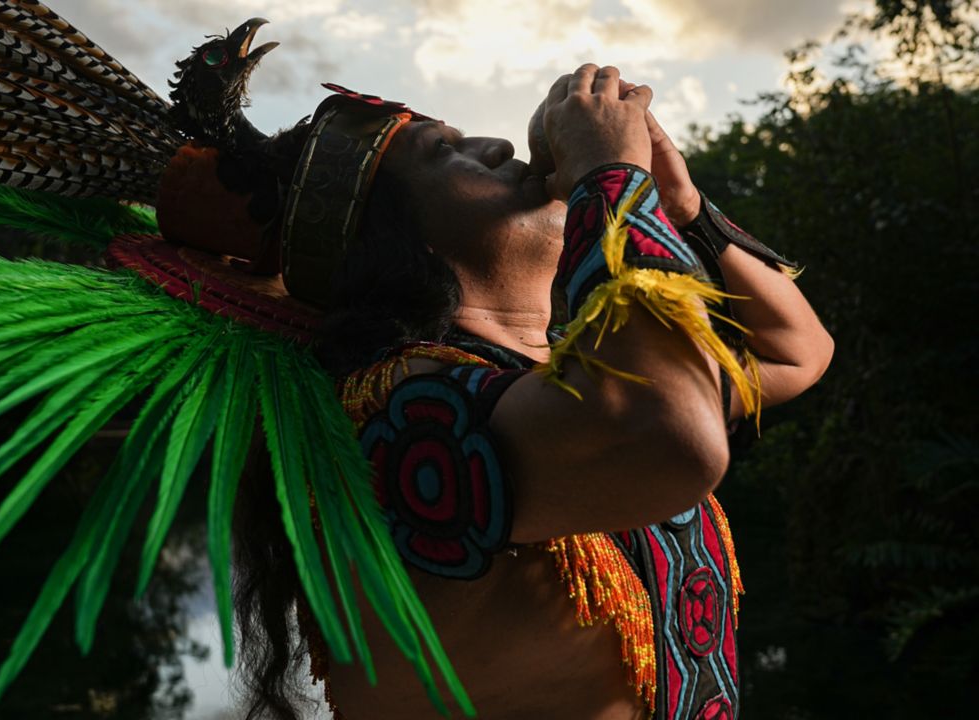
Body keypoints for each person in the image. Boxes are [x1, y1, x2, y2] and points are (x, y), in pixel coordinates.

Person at [232, 64, 834, 720]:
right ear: (392, 240)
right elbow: (674, 438)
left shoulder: (576, 378)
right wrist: (614, 176)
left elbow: (795, 352)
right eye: (444, 151)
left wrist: (685, 210)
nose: (495, 147)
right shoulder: (391, 410)